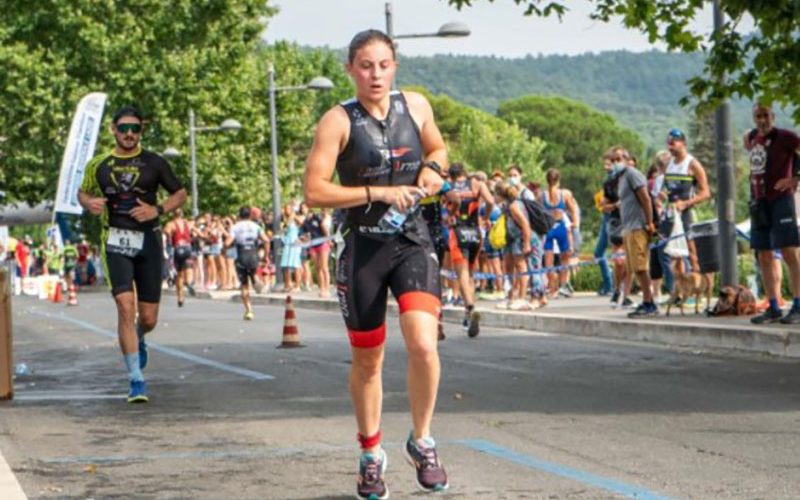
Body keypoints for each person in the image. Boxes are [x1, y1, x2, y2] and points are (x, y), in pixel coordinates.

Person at [303, 29, 448, 499]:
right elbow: (314, 191)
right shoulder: (338, 120)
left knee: (424, 344)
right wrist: (377, 192)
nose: (376, 74)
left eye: (384, 64)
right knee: (369, 359)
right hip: (363, 245)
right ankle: (371, 454)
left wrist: (432, 172)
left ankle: (422, 441)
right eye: (366, 66)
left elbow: (439, 150)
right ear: (351, 70)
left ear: (395, 67)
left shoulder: (417, 106)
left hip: (411, 240)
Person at [78, 106, 187, 403]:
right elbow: (83, 192)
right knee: (126, 306)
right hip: (114, 240)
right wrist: (89, 203)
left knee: (148, 317)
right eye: (123, 128)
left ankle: (139, 336)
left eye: (134, 129)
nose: (128, 134)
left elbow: (180, 193)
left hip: (149, 241)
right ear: (113, 129)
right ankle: (136, 380)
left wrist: (158, 209)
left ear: (142, 130)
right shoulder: (99, 164)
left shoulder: (155, 162)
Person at [744, 103, 800, 324]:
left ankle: (797, 304)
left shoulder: (786, 137)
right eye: (758, 116)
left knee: (789, 252)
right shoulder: (750, 138)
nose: (762, 120)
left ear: (773, 116)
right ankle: (773, 305)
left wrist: (794, 178)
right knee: (764, 254)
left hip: (781, 201)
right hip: (759, 202)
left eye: (766, 115)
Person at [445, 162, 494, 337]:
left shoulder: (448, 186)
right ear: (465, 173)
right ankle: (468, 314)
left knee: (462, 275)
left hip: (458, 232)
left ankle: (470, 308)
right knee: (471, 274)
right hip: (475, 231)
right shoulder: (477, 183)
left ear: (451, 175)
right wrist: (485, 218)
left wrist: (450, 216)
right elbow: (490, 201)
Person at [663, 128, 711, 274]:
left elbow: (706, 193)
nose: (670, 147)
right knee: (674, 254)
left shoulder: (692, 164)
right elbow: (669, 188)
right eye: (669, 144)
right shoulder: (669, 164)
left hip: (687, 213)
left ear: (683, 143)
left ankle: (695, 291)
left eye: (673, 143)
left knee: (692, 252)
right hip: (672, 213)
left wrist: (686, 203)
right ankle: (679, 291)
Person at [616, 156, 658, 317]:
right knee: (635, 267)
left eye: (616, 159)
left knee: (640, 266)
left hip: (637, 226)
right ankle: (647, 301)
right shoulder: (622, 178)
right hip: (628, 227)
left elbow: (645, 199)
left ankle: (649, 302)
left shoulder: (632, 174)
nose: (612, 164)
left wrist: (649, 222)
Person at [539, 169, 579, 298]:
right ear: (559, 180)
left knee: (548, 262)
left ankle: (553, 290)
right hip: (561, 227)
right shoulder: (565, 194)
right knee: (565, 260)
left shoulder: (541, 195)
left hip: (548, 228)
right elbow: (574, 210)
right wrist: (575, 224)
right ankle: (563, 285)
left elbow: (537, 212)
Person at [225, 206, 268, 320]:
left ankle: (249, 310)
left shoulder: (235, 227)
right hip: (253, 253)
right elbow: (266, 240)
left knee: (244, 285)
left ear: (239, 215)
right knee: (253, 273)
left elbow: (227, 242)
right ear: (250, 215)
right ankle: (256, 280)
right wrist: (266, 256)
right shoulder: (256, 226)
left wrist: (225, 249)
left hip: (242, 254)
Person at [163, 209, 194, 307]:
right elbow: (198, 232)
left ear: (173, 214)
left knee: (179, 275)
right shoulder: (188, 223)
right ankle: (188, 282)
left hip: (178, 249)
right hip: (188, 248)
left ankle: (180, 297)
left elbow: (166, 233)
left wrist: (169, 238)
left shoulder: (171, 224)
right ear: (182, 215)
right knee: (189, 268)